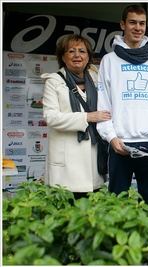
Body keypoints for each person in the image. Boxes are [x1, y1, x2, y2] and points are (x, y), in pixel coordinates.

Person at [97, 5, 148, 206]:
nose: (137, 27)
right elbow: (103, 104)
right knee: (116, 205)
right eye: (132, 22)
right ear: (123, 24)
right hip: (121, 144)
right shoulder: (109, 61)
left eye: (142, 23)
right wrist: (112, 138)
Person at [42, 34, 111, 200]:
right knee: (66, 212)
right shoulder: (54, 81)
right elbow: (50, 117)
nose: (77, 55)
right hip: (67, 161)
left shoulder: (96, 78)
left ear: (88, 56)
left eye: (82, 51)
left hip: (93, 158)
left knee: (91, 211)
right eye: (71, 51)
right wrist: (87, 117)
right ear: (63, 56)